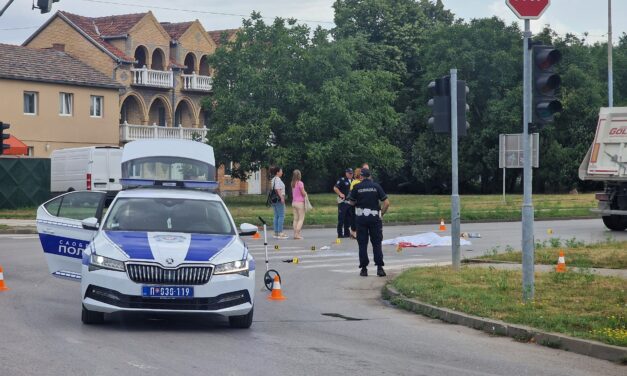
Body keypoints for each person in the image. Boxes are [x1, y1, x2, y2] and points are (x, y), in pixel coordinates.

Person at [348, 168, 390, 277]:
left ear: (361, 176)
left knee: (362, 244)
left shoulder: (357, 187)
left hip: (361, 219)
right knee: (376, 243)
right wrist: (381, 214)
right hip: (375, 219)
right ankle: (380, 268)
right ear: (370, 176)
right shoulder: (376, 186)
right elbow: (386, 203)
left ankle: (364, 269)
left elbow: (351, 202)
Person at [333, 168, 353, 238]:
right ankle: (340, 234)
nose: (351, 175)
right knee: (341, 218)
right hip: (343, 202)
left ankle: (347, 233)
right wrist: (340, 194)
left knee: (348, 218)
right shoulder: (342, 180)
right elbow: (335, 188)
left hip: (350, 202)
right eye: (349, 173)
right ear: (346, 173)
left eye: (352, 173)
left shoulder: (353, 181)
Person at [269, 166, 288, 239]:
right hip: (278, 199)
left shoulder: (273, 179)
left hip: (274, 200)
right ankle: (280, 232)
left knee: (276, 215)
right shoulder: (277, 179)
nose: (282, 172)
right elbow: (277, 189)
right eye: (281, 171)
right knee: (281, 216)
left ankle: (276, 232)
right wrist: (282, 197)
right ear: (277, 172)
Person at [291, 169, 307, 240]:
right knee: (301, 219)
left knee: (295, 219)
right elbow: (303, 193)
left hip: (294, 202)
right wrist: (306, 193)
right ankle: (297, 235)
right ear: (299, 175)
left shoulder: (292, 183)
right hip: (300, 203)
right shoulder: (300, 183)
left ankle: (295, 234)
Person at [349, 167, 363, 239]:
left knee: (353, 217)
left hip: (353, 202)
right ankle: (354, 233)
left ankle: (352, 232)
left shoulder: (353, 181)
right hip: (356, 203)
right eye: (361, 173)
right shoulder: (357, 182)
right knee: (355, 218)